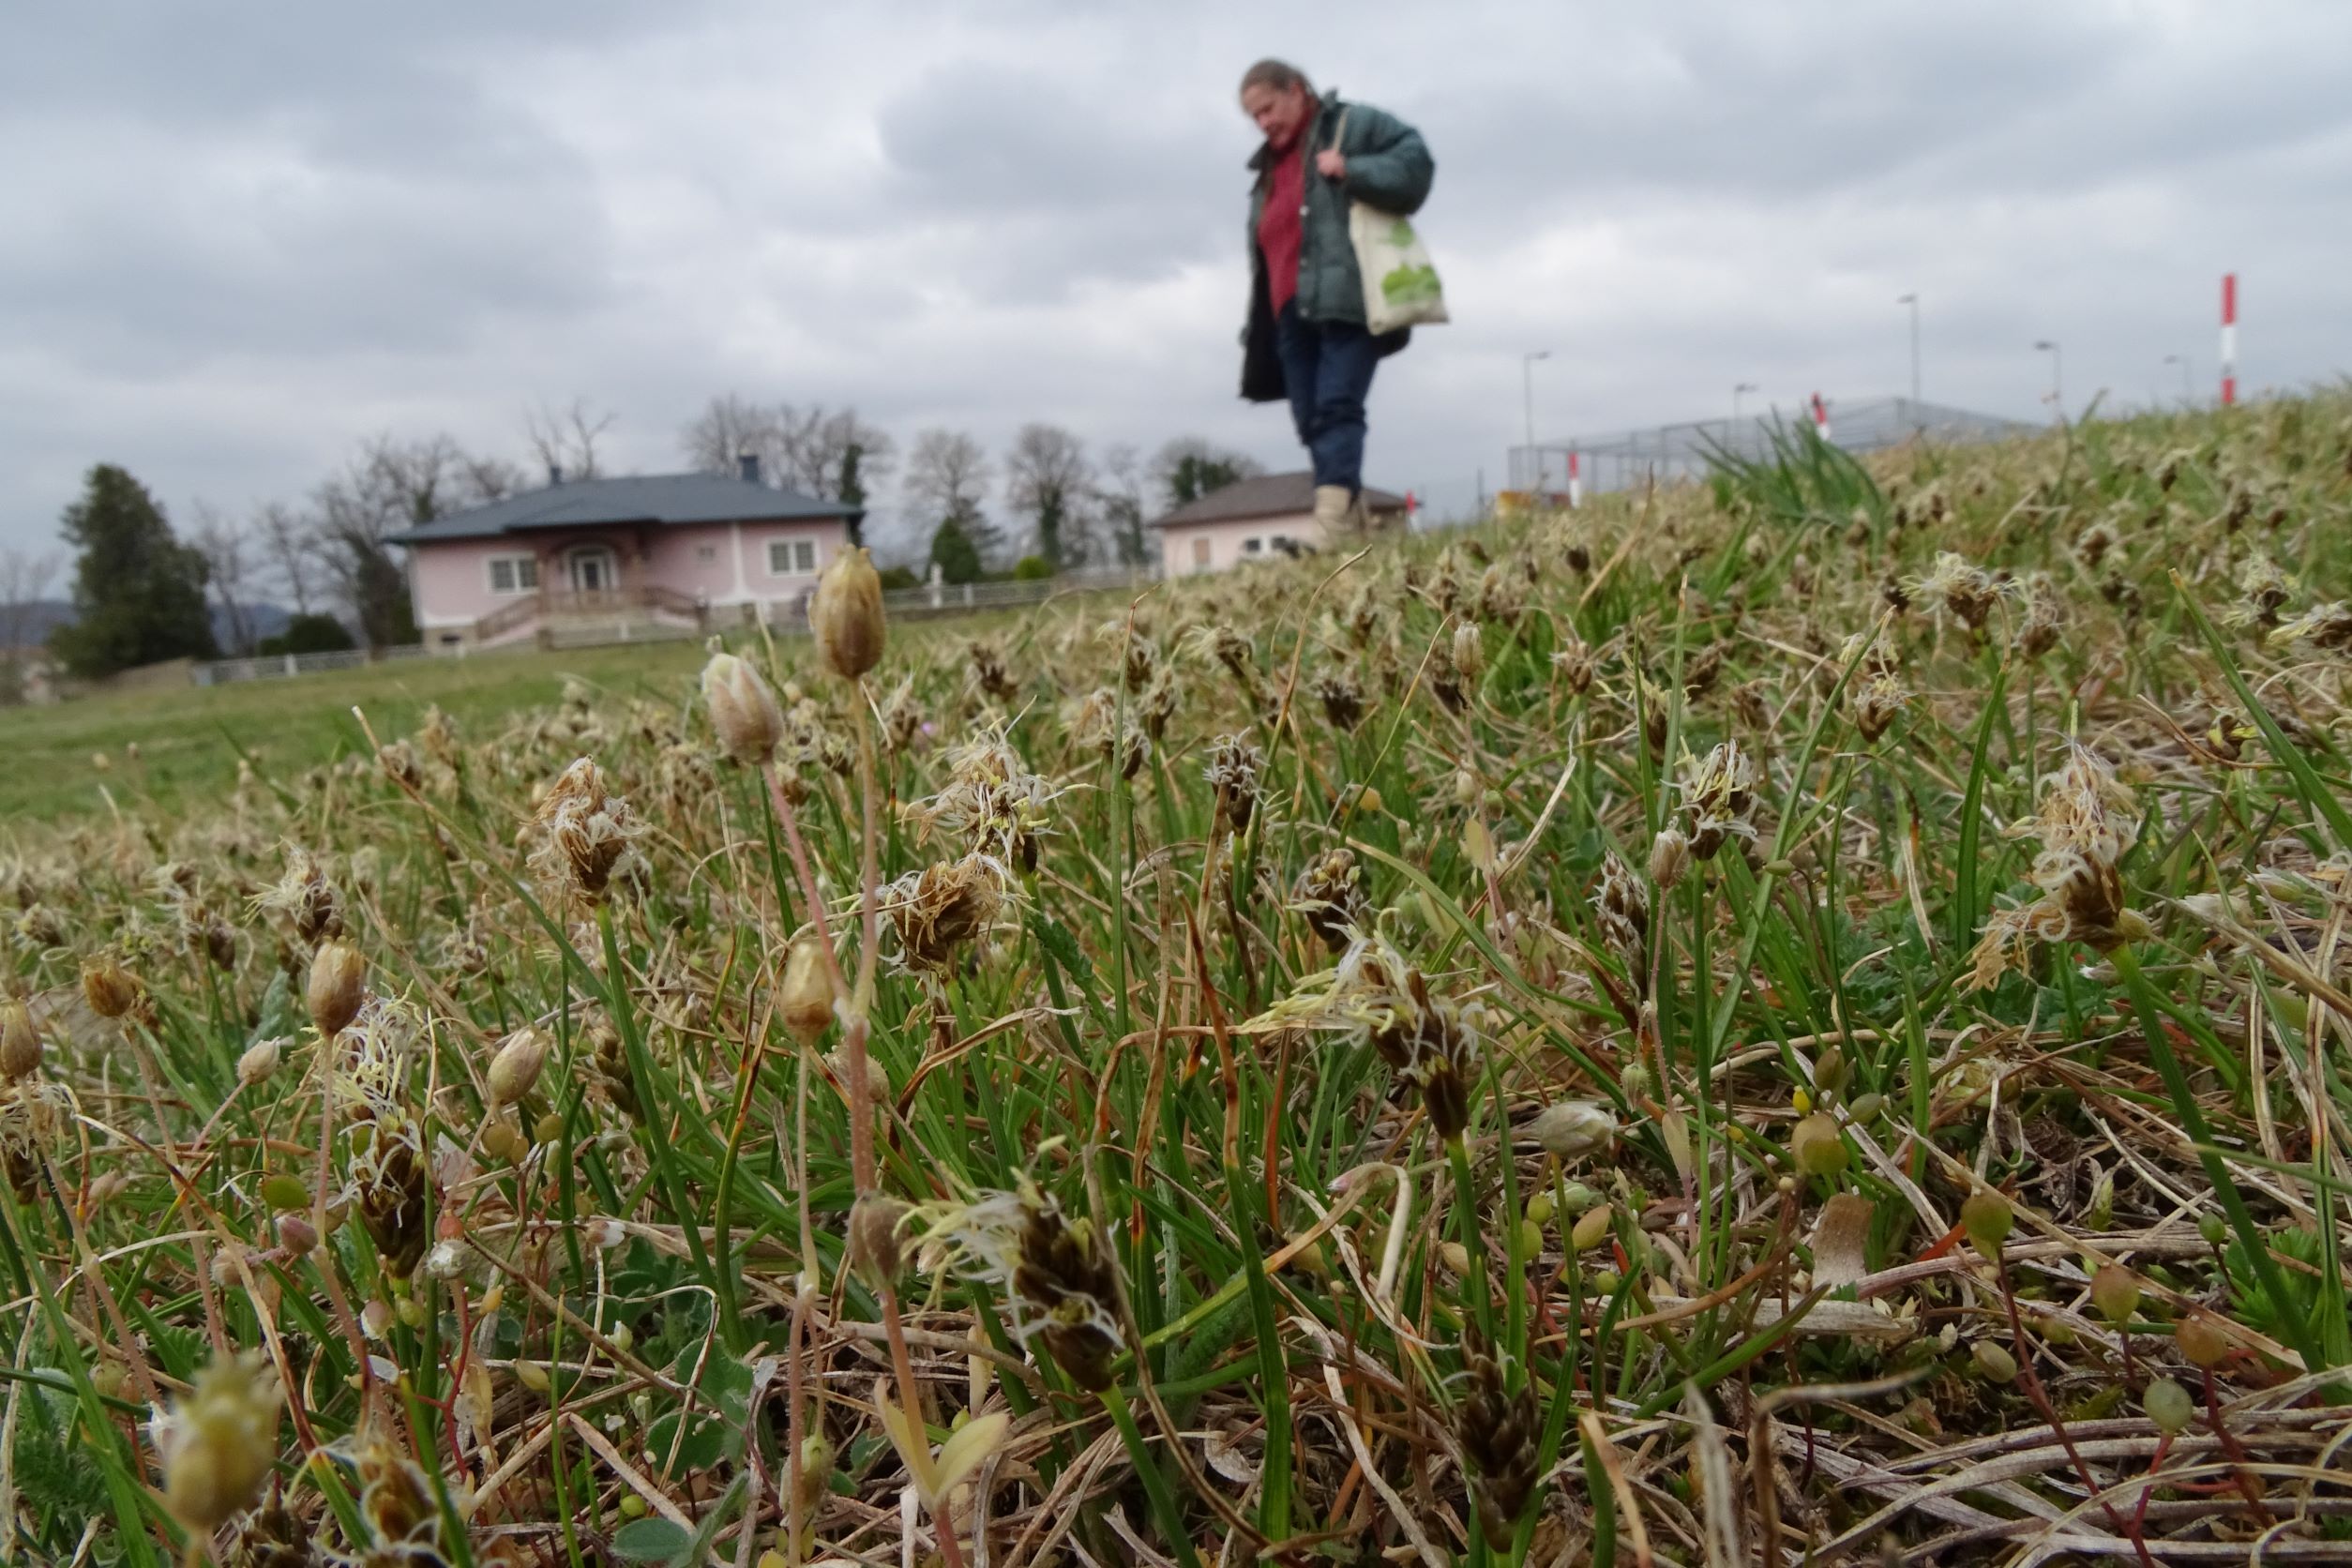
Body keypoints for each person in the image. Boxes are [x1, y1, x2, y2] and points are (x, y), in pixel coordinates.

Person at [1237, 59, 1433, 536]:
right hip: (1289, 311)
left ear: (1298, 90)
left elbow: (1417, 162)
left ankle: (1331, 525)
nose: (1263, 123)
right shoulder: (1267, 168)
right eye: (1254, 117)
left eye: (1268, 109)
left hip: (1349, 297)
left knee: (1336, 406)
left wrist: (1353, 168)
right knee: (1309, 418)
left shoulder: (1353, 125)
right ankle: (1356, 515)